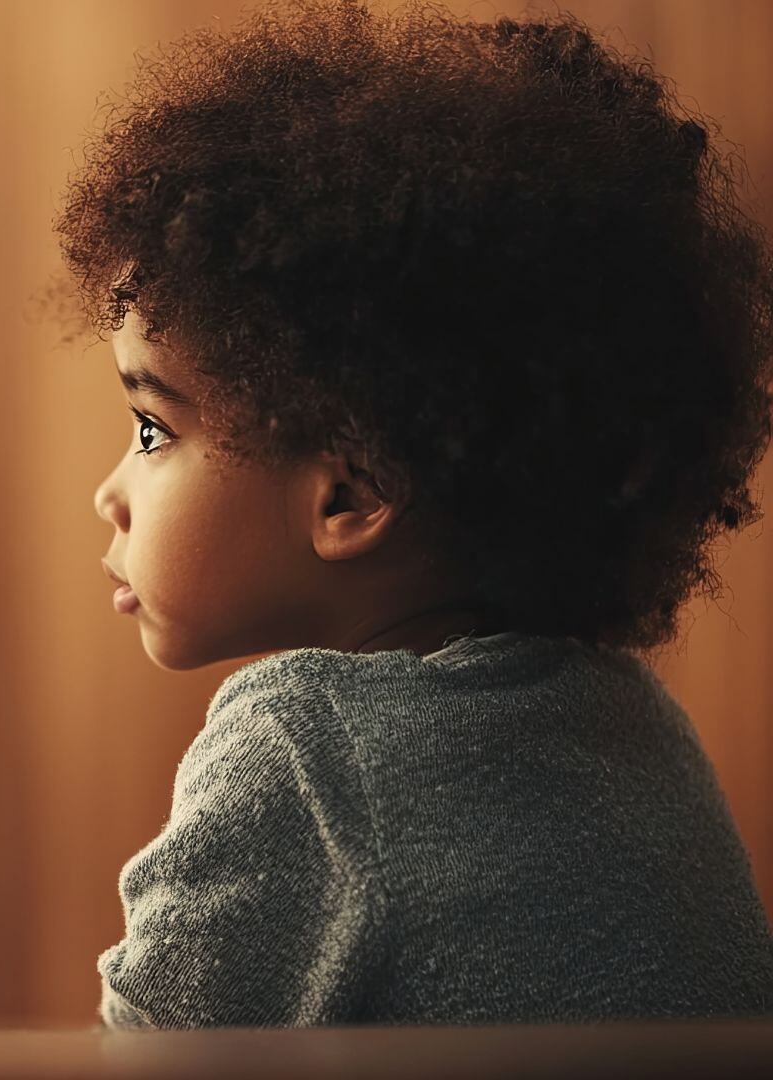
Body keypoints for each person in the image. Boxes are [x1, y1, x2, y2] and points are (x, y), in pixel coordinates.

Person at [61, 0, 773, 1026]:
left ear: (353, 491)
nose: (110, 492)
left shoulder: (305, 752)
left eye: (151, 429)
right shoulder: (637, 728)